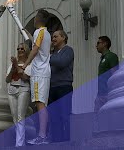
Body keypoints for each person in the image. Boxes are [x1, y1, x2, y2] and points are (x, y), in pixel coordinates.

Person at [20, 9, 51, 145]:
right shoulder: (46, 33)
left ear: (38, 18)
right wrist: (26, 33)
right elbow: (37, 45)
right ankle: (43, 135)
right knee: (41, 103)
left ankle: (42, 136)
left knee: (40, 104)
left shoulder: (40, 32)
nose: (33, 18)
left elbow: (35, 49)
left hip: (39, 72)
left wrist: (25, 63)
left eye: (35, 16)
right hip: (43, 72)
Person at [48, 30, 74, 142]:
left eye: (55, 37)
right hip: (52, 88)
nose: (53, 39)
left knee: (64, 115)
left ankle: (65, 141)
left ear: (63, 38)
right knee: (54, 117)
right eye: (52, 37)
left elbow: (62, 62)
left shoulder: (68, 50)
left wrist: (47, 57)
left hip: (64, 87)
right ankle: (56, 141)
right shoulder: (53, 54)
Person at [6, 43, 31, 147]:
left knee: (21, 116)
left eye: (22, 49)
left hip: (23, 89)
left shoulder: (29, 64)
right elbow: (7, 79)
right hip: (12, 90)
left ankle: (19, 144)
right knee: (14, 117)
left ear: (26, 51)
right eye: (18, 49)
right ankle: (20, 140)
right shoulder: (12, 65)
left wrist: (16, 65)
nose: (20, 50)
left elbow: (25, 77)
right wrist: (13, 67)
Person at [95, 36, 119, 112]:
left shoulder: (111, 56)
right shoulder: (103, 58)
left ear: (105, 44)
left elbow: (114, 74)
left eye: (98, 43)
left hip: (108, 93)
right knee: (97, 117)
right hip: (101, 94)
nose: (96, 46)